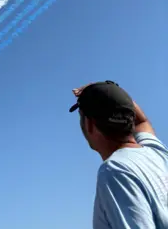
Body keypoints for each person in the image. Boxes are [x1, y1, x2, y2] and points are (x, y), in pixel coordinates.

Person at [69, 80, 168, 228]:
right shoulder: (157, 153)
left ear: (89, 124)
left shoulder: (115, 170)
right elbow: (142, 122)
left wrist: (108, 90)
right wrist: (112, 90)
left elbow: (140, 121)